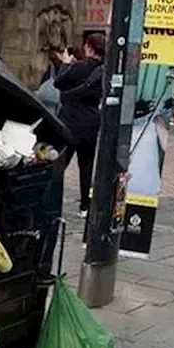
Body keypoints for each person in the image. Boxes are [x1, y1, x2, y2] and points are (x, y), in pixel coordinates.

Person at [55, 33, 107, 218]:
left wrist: (66, 64)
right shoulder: (104, 70)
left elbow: (58, 82)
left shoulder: (79, 67)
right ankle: (85, 205)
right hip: (91, 123)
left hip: (70, 123)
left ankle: (53, 202)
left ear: (89, 48)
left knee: (60, 164)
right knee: (86, 165)